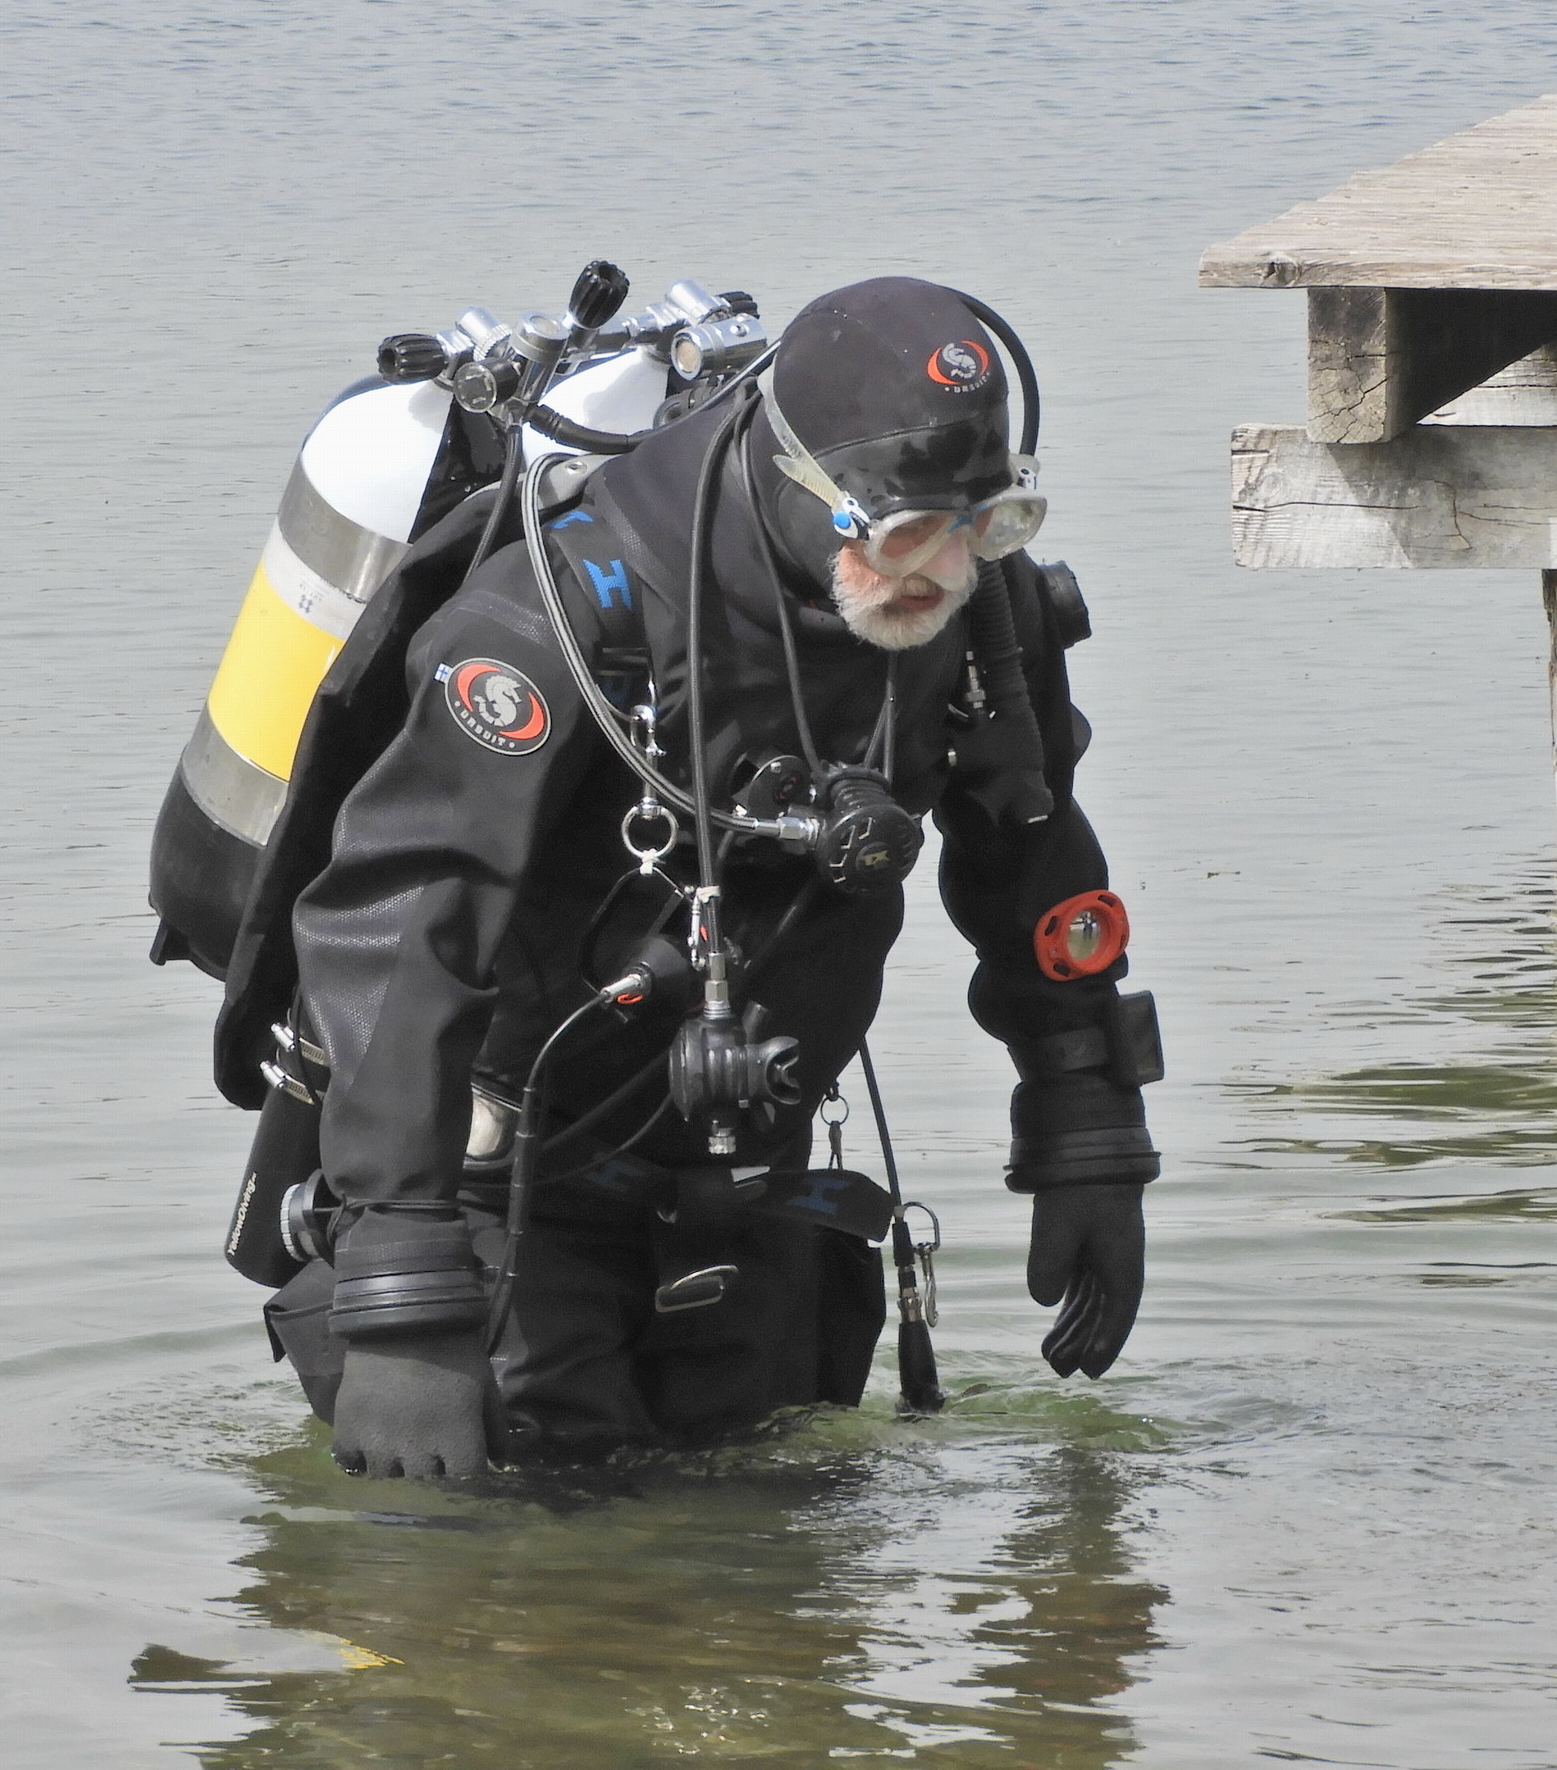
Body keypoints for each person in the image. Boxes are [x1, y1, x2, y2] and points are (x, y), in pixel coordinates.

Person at [258, 276, 1161, 1479]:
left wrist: (1086, 1120)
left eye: (989, 524)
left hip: (746, 1180)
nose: (946, 570)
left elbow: (1034, 855)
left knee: (764, 1541)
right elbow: (399, 926)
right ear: (799, 478)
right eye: (906, 535)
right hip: (505, 1189)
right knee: (519, 1551)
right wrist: (400, 1286)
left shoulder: (973, 607)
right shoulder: (559, 617)